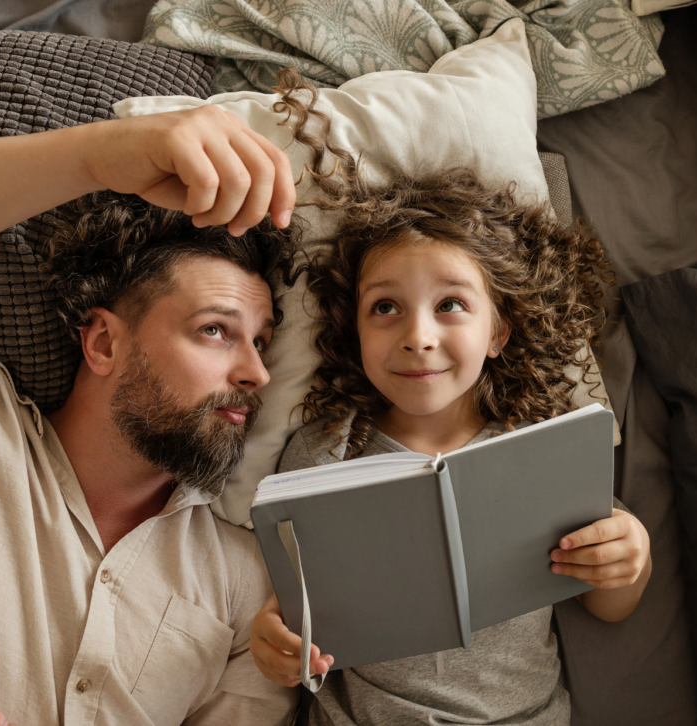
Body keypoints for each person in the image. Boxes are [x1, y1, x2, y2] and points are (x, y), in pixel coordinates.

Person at [0, 106, 302, 726]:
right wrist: (98, 157)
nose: (256, 373)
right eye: (216, 331)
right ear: (104, 344)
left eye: (262, 340)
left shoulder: (250, 589)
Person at [248, 160, 653, 724]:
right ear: (356, 331)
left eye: (450, 305)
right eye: (385, 308)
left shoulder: (542, 452)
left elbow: (610, 606)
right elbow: (297, 612)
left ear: (497, 332)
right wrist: (276, 640)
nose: (418, 337)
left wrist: (631, 554)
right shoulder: (324, 456)